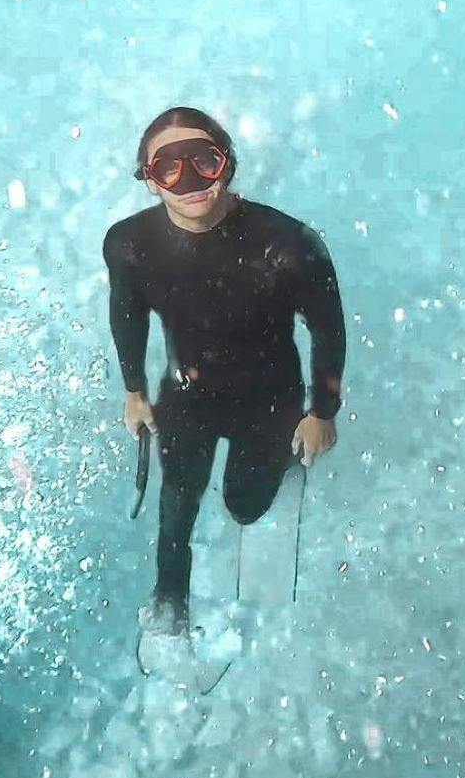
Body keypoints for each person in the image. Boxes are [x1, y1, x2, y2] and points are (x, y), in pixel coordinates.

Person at [102, 105, 346, 644]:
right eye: (169, 168)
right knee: (177, 503)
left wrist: (320, 414)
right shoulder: (129, 245)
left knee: (245, 504)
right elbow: (127, 316)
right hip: (187, 394)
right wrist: (134, 392)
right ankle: (168, 606)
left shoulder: (290, 245)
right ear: (149, 180)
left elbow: (329, 330)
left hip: (270, 398)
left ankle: (282, 468)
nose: (190, 181)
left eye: (203, 162)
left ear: (227, 164)